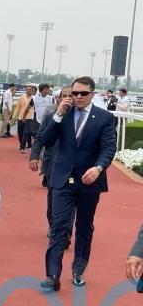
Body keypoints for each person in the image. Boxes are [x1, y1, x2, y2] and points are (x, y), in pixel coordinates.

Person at [37, 76, 117, 291]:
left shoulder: (105, 118)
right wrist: (58, 115)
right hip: (63, 179)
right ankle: (52, 275)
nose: (78, 97)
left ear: (92, 94)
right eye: (75, 93)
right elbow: (45, 139)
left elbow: (109, 148)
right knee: (59, 226)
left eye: (83, 93)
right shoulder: (62, 115)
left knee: (84, 226)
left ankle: (78, 270)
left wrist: (98, 168)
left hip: (89, 181)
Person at [29, 87, 75, 243]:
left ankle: (65, 234)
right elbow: (40, 138)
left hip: (72, 168)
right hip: (52, 165)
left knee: (70, 202)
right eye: (64, 96)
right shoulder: (50, 117)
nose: (68, 98)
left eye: (71, 95)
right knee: (53, 201)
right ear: (59, 98)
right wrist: (34, 156)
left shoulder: (81, 119)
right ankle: (53, 225)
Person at [12, 85, 35, 154]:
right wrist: (14, 116)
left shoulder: (34, 98)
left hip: (29, 118)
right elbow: (17, 107)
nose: (28, 90)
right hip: (21, 117)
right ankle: (26, 145)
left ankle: (23, 147)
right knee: (20, 133)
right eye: (27, 89)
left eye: (30, 89)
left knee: (26, 132)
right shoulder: (22, 97)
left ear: (32, 91)